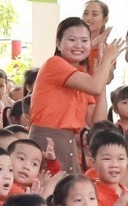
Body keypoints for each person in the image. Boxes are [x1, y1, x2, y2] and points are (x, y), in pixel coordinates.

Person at [28, 16, 114, 172]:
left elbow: (97, 120)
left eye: (84, 41)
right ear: (58, 43)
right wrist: (108, 58)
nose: (79, 45)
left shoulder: (80, 76)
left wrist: (102, 76)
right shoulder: (54, 64)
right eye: (72, 40)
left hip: (68, 142)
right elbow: (95, 86)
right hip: (48, 141)